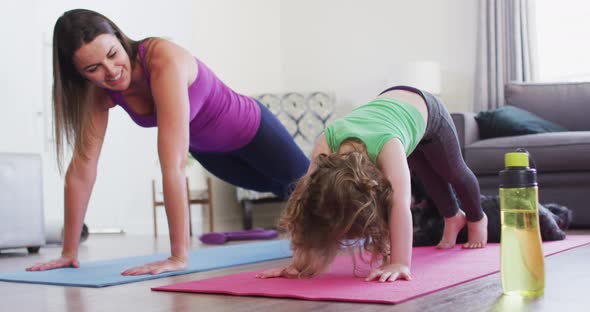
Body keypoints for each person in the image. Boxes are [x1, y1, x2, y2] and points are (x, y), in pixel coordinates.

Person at [26, 9, 309, 276]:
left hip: (254, 130)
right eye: (93, 68)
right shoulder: (100, 93)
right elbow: (82, 168)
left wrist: (178, 256)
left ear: (120, 37)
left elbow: (172, 165)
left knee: (315, 190)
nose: (111, 71)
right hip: (211, 152)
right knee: (282, 189)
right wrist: (68, 251)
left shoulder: (162, 59)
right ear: (79, 74)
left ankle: (351, 227)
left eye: (113, 54)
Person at [257, 85, 488, 282]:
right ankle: (452, 217)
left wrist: (399, 263)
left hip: (426, 108)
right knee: (426, 172)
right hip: (391, 110)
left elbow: (400, 205)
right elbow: (303, 207)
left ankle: (477, 219)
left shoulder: (389, 146)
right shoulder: (326, 142)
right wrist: (298, 264)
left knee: (452, 171)